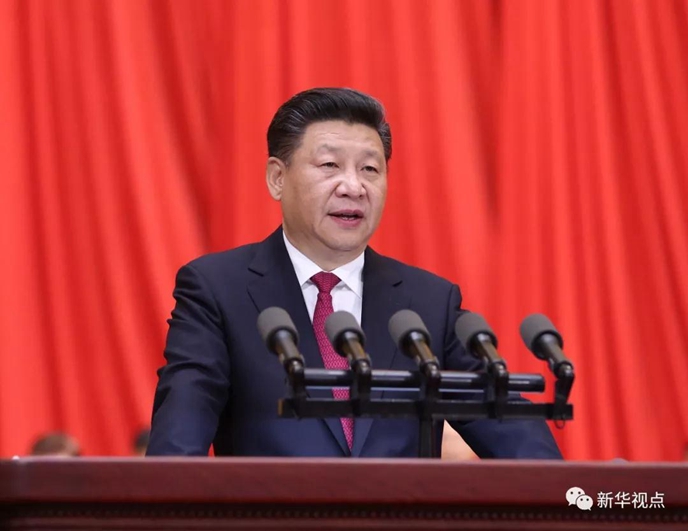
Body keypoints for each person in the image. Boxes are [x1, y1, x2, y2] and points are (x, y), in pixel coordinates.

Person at [147, 87, 562, 459]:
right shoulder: (218, 290)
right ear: (277, 178)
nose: (353, 186)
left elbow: (513, 431)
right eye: (330, 165)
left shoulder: (428, 303)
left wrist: (572, 499)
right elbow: (179, 440)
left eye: (370, 169)